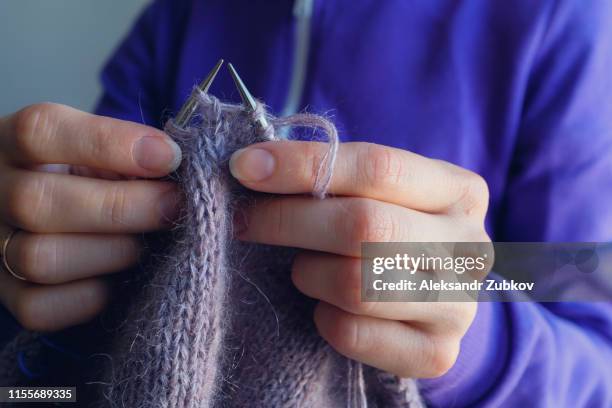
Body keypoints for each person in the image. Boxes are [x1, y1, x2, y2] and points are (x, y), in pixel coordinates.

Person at [1, 0, 612, 406]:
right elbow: (52, 373)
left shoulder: (559, 21)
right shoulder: (186, 13)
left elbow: (584, 307)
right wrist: (25, 257)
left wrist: (472, 338)